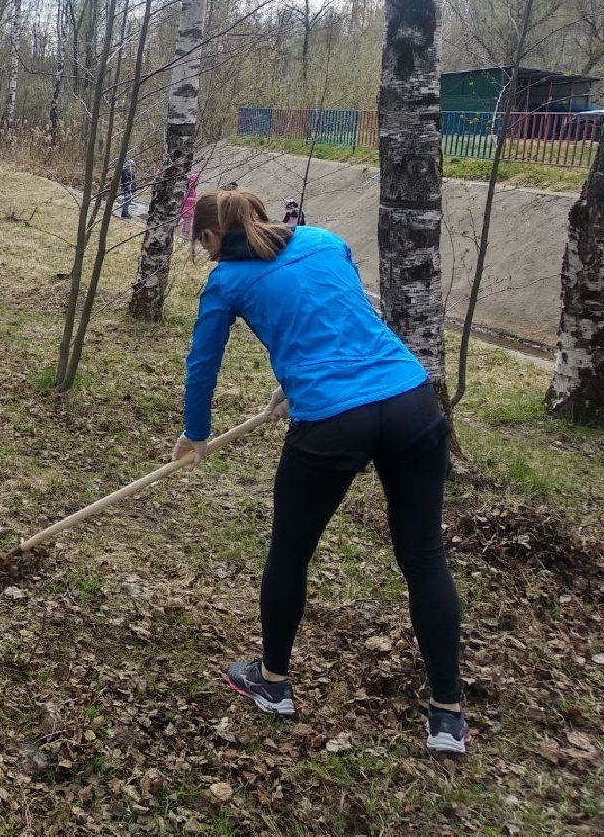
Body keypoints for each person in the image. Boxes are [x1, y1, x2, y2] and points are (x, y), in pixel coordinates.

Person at [176, 188, 465, 754]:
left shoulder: (228, 279)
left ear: (212, 237)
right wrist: (294, 380)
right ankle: (448, 717)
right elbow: (340, 315)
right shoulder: (324, 240)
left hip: (333, 421)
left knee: (290, 551)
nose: (208, 254)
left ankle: (274, 683)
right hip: (411, 400)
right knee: (424, 555)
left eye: (204, 244)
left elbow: (202, 363)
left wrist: (195, 433)